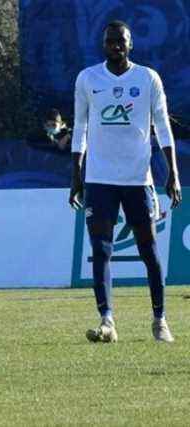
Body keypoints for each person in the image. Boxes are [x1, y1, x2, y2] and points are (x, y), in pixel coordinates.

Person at [69, 21, 182, 343]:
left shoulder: (147, 78)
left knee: (149, 250)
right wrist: (76, 175)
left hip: (137, 179)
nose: (115, 45)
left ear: (130, 44)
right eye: (110, 41)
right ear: (103, 44)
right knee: (101, 249)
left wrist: (172, 173)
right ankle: (107, 321)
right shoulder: (88, 78)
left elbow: (163, 127)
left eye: (121, 41)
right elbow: (80, 128)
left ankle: (159, 320)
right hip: (99, 179)